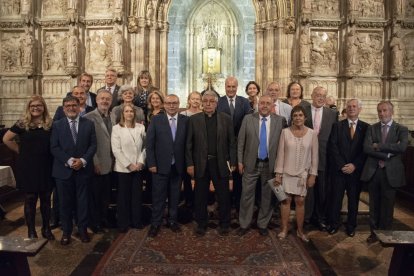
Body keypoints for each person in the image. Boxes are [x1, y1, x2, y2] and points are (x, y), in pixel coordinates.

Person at [2, 96, 55, 240]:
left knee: (45, 199)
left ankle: (46, 228)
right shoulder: (22, 123)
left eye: (39, 105)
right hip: (28, 166)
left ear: (44, 107)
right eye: (32, 106)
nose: (36, 108)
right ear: (28, 107)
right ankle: (31, 230)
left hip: (46, 165)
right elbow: (6, 139)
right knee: (30, 198)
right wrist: (20, 150)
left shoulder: (49, 124)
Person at [186, 90, 237, 237]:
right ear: (202, 103)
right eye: (205, 101)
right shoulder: (194, 120)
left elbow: (231, 143)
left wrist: (232, 161)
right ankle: (201, 224)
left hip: (220, 162)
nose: (208, 104)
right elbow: (188, 144)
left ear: (216, 103)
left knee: (224, 195)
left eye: (211, 101)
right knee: (200, 195)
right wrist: (190, 164)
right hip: (200, 163)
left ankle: (225, 224)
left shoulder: (226, 119)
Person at [50, 95, 97, 245]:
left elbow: (93, 145)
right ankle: (66, 232)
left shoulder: (88, 124)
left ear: (79, 107)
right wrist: (69, 161)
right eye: (68, 106)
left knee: (82, 202)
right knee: (64, 203)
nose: (71, 108)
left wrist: (82, 160)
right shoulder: (57, 125)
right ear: (63, 109)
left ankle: (82, 230)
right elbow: (54, 147)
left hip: (83, 170)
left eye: (74, 105)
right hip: (63, 171)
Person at [237, 95, 286, 236]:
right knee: (246, 195)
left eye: (268, 103)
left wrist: (280, 168)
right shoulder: (248, 119)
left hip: (270, 166)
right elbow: (241, 142)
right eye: (262, 103)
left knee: (267, 196)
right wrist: (240, 161)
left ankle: (262, 224)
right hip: (250, 163)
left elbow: (283, 145)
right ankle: (244, 224)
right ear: (258, 104)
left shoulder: (280, 121)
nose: (264, 106)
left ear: (272, 106)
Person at [361, 101, 408, 244]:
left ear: (391, 111)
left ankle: (386, 234)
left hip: (391, 172)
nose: (382, 113)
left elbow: (402, 147)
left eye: (385, 110)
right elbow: (367, 148)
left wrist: (379, 146)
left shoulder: (401, 129)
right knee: (374, 205)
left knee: (388, 206)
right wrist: (386, 154)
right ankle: (374, 233)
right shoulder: (372, 128)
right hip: (374, 171)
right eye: (380, 111)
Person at [274, 105, 318, 242]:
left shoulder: (312, 133)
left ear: (305, 117)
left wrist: (313, 175)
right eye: (295, 116)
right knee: (285, 201)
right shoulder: (285, 132)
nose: (297, 118)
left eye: (300, 115)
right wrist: (278, 174)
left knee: (300, 201)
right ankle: (284, 229)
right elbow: (280, 154)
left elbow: (315, 156)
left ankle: (300, 230)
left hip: (302, 175)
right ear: (291, 118)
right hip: (286, 173)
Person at [146, 94, 188, 237]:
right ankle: (156, 223)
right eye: (169, 103)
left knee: (175, 196)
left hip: (178, 166)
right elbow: (149, 144)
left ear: (178, 104)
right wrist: (151, 163)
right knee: (158, 197)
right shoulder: (156, 120)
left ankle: (172, 221)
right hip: (159, 166)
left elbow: (188, 145)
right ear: (164, 104)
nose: (172, 106)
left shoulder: (185, 120)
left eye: (175, 103)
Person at [327, 99, 369, 237]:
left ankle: (351, 226)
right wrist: (342, 165)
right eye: (349, 106)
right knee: (336, 199)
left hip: (355, 172)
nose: (351, 108)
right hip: (339, 171)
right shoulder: (337, 126)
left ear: (359, 109)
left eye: (354, 106)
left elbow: (365, 150)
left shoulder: (366, 128)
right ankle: (333, 224)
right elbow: (332, 147)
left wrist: (354, 165)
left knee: (353, 200)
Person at [303, 86, 337, 231]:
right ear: (311, 95)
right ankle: (306, 218)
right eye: (317, 94)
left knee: (322, 190)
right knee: (306, 191)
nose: (320, 97)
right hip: (305, 157)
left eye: (323, 95)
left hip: (324, 157)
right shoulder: (303, 111)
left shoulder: (332, 114)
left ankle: (320, 218)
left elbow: (334, 138)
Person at [217, 76, 251, 214]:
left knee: (238, 176)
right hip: (223, 144)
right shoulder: (219, 102)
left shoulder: (244, 102)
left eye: (233, 87)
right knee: (223, 176)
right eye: (228, 86)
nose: (231, 89)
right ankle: (224, 206)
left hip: (240, 144)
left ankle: (238, 206)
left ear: (237, 87)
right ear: (225, 87)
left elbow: (248, 120)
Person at [111, 103, 146, 233]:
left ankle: (136, 221)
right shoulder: (116, 128)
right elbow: (116, 150)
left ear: (135, 113)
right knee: (123, 197)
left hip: (138, 167)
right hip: (123, 168)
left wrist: (141, 162)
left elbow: (145, 147)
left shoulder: (141, 127)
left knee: (137, 197)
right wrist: (129, 165)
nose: (129, 113)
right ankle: (123, 223)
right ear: (122, 114)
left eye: (131, 111)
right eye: (127, 111)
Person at [84, 89, 114, 234]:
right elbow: (88, 143)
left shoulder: (113, 115)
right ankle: (94, 222)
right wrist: (94, 162)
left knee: (105, 195)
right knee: (95, 195)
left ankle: (103, 219)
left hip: (111, 163)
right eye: (102, 98)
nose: (104, 101)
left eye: (107, 99)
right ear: (96, 100)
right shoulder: (89, 117)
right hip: (97, 162)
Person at [180, 91, 203, 207]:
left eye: (197, 99)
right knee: (186, 177)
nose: (195, 101)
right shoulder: (183, 114)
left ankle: (199, 202)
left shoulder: (204, 114)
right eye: (193, 99)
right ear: (189, 100)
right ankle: (188, 201)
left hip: (199, 150)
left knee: (200, 177)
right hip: (186, 149)